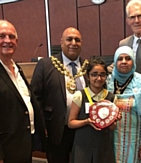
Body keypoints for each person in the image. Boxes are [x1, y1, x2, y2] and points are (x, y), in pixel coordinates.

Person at [0, 20, 46, 163]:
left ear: (16, 41)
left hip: (23, 146)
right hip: (4, 152)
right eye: (1, 36)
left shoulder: (16, 66)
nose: (7, 41)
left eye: (11, 37)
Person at [31, 27, 88, 163]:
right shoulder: (46, 65)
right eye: (69, 39)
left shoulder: (88, 67)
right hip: (56, 128)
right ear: (61, 42)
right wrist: (42, 126)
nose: (73, 43)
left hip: (82, 128)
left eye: (77, 40)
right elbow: (35, 97)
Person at [107, 46, 141, 163]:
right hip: (112, 139)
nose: (124, 62)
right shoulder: (108, 81)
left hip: (135, 139)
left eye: (128, 58)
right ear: (115, 61)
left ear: (133, 61)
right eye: (120, 59)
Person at [69, 58, 120, 163]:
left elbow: (112, 128)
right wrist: (86, 121)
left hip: (103, 147)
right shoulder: (80, 95)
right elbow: (71, 123)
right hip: (82, 146)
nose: (99, 78)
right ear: (88, 76)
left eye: (102, 74)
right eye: (94, 74)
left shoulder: (111, 98)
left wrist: (114, 120)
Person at [108, 0, 141, 78]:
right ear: (128, 21)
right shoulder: (124, 44)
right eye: (132, 17)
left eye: (140, 16)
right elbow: (116, 66)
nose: (136, 21)